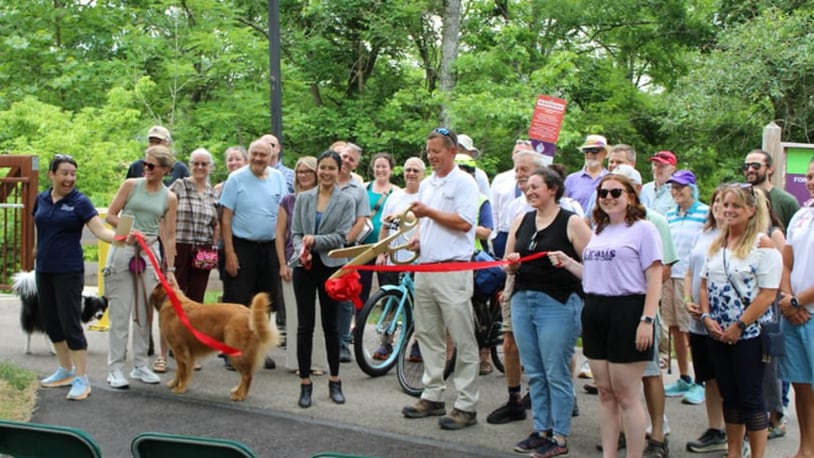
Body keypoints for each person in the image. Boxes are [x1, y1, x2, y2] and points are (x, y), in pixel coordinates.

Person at [551, 173, 663, 457]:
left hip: (628, 310)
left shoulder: (644, 229)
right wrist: (568, 264)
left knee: (627, 394)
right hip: (596, 309)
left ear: (631, 197)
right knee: (605, 392)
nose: (609, 198)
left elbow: (655, 276)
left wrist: (647, 320)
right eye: (603, 193)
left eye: (616, 192)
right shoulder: (598, 230)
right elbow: (591, 275)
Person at [506, 167, 592, 457]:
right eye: (526, 187)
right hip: (522, 299)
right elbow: (507, 263)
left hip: (557, 302)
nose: (529, 191)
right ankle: (540, 429)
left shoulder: (573, 222)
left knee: (556, 371)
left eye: (535, 186)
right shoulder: (522, 220)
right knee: (535, 371)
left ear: (553, 189)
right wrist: (512, 266)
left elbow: (596, 266)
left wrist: (567, 261)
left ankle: (559, 436)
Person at [401, 127, 480, 430]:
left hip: (454, 269)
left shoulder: (465, 182)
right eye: (428, 151)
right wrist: (420, 239)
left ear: (452, 151)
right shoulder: (428, 184)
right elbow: (426, 221)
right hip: (426, 268)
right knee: (428, 334)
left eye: (436, 151)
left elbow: (463, 223)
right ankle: (432, 394)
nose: (431, 156)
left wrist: (429, 214)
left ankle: (466, 404)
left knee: (462, 338)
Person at [699, 184, 783, 458]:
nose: (728, 210)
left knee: (751, 398)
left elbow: (768, 294)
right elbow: (704, 283)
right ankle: (733, 452)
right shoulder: (717, 243)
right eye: (725, 205)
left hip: (749, 335)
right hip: (718, 333)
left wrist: (740, 326)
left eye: (735, 206)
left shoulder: (763, 245)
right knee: (729, 396)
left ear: (750, 210)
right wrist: (707, 316)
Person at [36, 154, 118, 401]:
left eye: (73, 173)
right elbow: (38, 223)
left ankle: (82, 378)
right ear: (52, 175)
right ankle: (65, 370)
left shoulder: (80, 202)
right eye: (64, 173)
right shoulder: (41, 198)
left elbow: (101, 230)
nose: (69, 178)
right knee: (51, 322)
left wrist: (123, 238)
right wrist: (35, 250)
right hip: (44, 268)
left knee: (70, 323)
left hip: (68, 270)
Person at [104, 145, 178, 390]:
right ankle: (115, 367)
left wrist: (170, 269)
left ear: (165, 170)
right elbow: (111, 215)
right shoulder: (131, 186)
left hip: (150, 254)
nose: (146, 169)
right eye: (145, 164)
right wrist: (130, 232)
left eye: (152, 166)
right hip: (125, 248)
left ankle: (140, 364)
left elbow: (169, 235)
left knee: (145, 311)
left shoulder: (169, 197)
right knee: (120, 311)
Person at [291, 150, 355, 408]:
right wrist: (301, 251)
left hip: (332, 267)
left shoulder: (346, 201)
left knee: (331, 326)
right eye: (323, 168)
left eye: (331, 168)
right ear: (317, 170)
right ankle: (305, 383)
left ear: (339, 170)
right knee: (305, 326)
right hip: (304, 267)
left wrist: (314, 242)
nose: (326, 173)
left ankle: (335, 380)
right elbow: (296, 233)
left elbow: (342, 236)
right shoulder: (304, 198)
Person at [487, 149, 546, 425]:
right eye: (517, 170)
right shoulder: (514, 207)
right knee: (510, 341)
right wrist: (507, 268)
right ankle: (513, 399)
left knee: (543, 345)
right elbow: (507, 247)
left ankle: (545, 395)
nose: (519, 175)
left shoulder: (565, 208)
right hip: (516, 282)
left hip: (547, 287)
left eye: (525, 169)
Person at [219, 139, 288, 370]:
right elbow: (225, 217)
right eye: (255, 154)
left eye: (263, 155)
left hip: (269, 247)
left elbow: (283, 214)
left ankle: (259, 349)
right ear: (248, 156)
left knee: (265, 303)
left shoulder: (279, 179)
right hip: (241, 246)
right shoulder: (236, 178)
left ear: (271, 157)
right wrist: (229, 252)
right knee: (236, 302)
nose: (259, 158)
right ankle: (232, 352)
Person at [684, 185, 729, 453]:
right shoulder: (704, 232)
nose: (721, 207)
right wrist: (689, 302)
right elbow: (690, 269)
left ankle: (740, 433)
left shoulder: (743, 237)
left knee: (730, 378)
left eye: (728, 203)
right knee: (710, 377)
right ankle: (716, 429)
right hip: (697, 319)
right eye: (717, 201)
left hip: (724, 320)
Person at [371, 157, 426, 361]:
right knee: (390, 301)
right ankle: (386, 342)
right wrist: (381, 252)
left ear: (423, 174)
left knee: (420, 305)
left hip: (418, 261)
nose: (410, 173)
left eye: (415, 170)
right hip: (394, 260)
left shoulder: (425, 197)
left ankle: (418, 344)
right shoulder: (394, 196)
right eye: (408, 170)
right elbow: (384, 226)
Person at [276, 156, 327, 375]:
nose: (303, 175)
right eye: (299, 172)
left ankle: (317, 362)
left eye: (308, 171)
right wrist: (282, 263)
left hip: (321, 261)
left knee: (318, 313)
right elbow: (279, 234)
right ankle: (297, 362)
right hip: (293, 261)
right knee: (296, 314)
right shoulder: (288, 200)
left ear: (316, 174)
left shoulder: (326, 199)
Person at [778, 156, 814, 458]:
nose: (812, 182)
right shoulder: (801, 215)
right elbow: (786, 263)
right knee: (801, 386)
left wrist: (796, 301)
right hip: (794, 314)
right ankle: (806, 448)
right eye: (810, 176)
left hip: (806, 311)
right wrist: (789, 299)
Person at [662, 170, 709, 402]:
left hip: (691, 278)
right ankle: (684, 377)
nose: (676, 191)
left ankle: (701, 380)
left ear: (692, 187)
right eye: (673, 186)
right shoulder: (670, 214)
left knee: (691, 329)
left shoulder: (705, 213)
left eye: (680, 186)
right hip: (670, 275)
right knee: (674, 327)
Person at [335, 142, 371, 362]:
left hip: (345, 248)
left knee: (345, 296)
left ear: (356, 165)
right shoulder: (324, 180)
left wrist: (344, 242)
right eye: (344, 157)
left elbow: (361, 220)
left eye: (351, 159)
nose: (346, 161)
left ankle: (341, 343)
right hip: (321, 244)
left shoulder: (358, 190)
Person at [168, 148, 219, 303]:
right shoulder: (179, 185)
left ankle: (193, 327)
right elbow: (163, 211)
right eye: (196, 163)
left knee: (197, 294)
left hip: (204, 248)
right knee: (176, 292)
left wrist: (214, 245)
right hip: (179, 246)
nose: (200, 167)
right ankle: (176, 326)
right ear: (190, 165)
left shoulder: (213, 192)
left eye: (204, 164)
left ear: (210, 167)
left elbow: (217, 223)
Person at [359, 152, 399, 304]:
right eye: (377, 166)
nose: (380, 170)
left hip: (386, 247)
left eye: (384, 167)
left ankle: (387, 320)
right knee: (361, 285)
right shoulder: (364, 188)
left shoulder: (396, 192)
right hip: (364, 245)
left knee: (387, 286)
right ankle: (359, 319)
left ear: (391, 170)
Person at [490, 139, 535, 259]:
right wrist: (494, 235)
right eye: (517, 152)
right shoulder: (500, 179)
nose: (519, 174)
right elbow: (493, 208)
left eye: (524, 153)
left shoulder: (539, 185)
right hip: (504, 233)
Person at [743, 149, 800, 230]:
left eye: (756, 166)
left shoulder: (787, 201)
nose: (750, 170)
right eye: (746, 166)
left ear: (770, 169)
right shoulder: (740, 198)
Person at [564, 134, 609, 211]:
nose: (589, 154)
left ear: (604, 153)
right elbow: (562, 206)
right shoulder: (571, 179)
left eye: (594, 150)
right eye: (586, 151)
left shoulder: (611, 178)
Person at [641, 151, 677, 215]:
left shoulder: (678, 191)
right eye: (655, 164)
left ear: (672, 169)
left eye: (661, 166)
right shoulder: (644, 189)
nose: (656, 169)